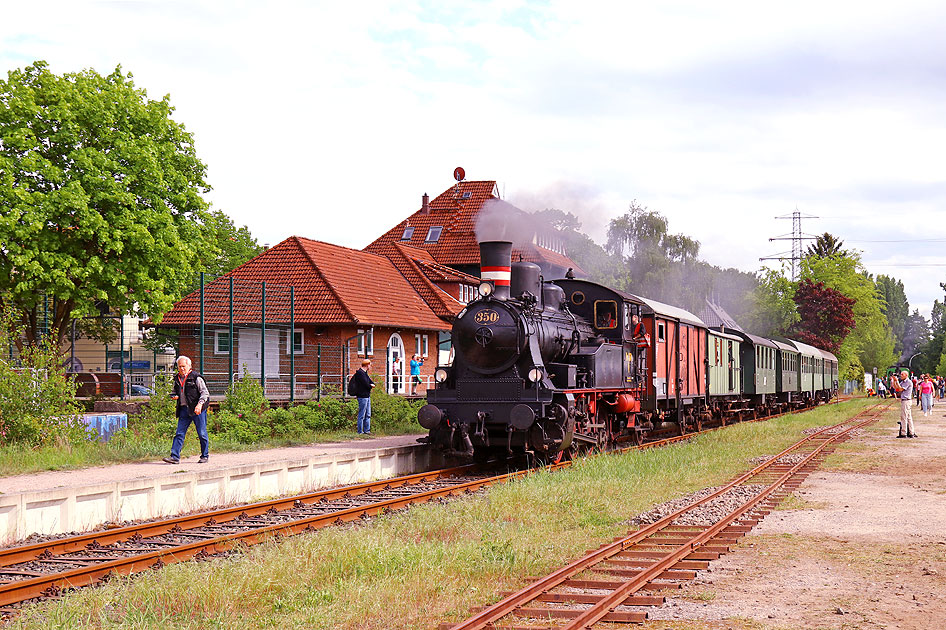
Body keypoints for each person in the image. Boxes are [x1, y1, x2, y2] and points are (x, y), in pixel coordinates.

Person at [163, 356, 210, 464]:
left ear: (189, 366)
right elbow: (174, 391)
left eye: (183, 366)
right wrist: (174, 396)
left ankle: (205, 455)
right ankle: (174, 457)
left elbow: (205, 393)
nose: (182, 368)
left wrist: (200, 405)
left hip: (197, 409)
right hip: (184, 409)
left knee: (202, 433)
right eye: (179, 366)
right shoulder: (177, 378)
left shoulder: (196, 378)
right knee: (179, 433)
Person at [348, 358, 375, 434]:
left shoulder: (365, 373)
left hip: (367, 396)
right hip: (362, 396)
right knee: (362, 414)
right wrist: (371, 386)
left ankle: (367, 430)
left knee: (368, 414)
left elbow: (370, 381)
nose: (370, 366)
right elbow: (366, 384)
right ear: (367, 365)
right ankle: (360, 431)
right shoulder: (360, 373)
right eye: (370, 365)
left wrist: (371, 384)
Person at [897, 369, 916, 438]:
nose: (900, 376)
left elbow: (900, 389)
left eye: (902, 374)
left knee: (904, 417)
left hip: (906, 401)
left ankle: (904, 433)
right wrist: (895, 381)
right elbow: (897, 388)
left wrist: (896, 381)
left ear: (906, 375)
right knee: (908, 417)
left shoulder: (908, 382)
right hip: (905, 401)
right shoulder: (903, 382)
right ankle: (911, 432)